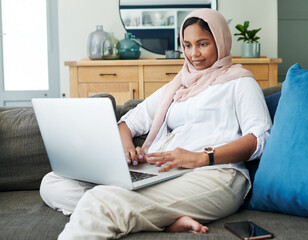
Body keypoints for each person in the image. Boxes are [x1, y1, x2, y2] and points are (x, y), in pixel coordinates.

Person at [40, 9, 272, 239]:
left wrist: (202, 156)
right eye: (188, 45)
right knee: (53, 182)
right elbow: (126, 123)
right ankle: (164, 218)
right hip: (163, 172)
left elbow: (260, 138)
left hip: (216, 174)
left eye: (203, 44)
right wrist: (127, 148)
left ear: (221, 42)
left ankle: (140, 212)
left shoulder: (239, 82)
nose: (194, 54)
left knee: (100, 199)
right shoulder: (178, 85)